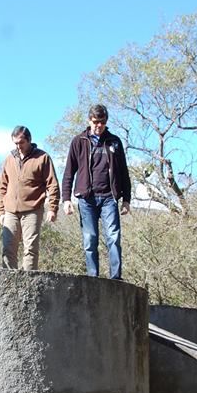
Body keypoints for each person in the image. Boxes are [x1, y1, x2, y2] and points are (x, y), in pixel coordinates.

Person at [61, 104, 132, 280]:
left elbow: (123, 172)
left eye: (102, 122)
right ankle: (93, 278)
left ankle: (116, 278)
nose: (98, 125)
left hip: (109, 198)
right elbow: (69, 171)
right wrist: (66, 199)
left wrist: (126, 199)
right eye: (95, 122)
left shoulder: (114, 141)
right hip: (87, 199)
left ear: (106, 121)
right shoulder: (79, 141)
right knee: (90, 239)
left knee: (113, 237)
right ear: (89, 120)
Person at [0, 125, 60, 270]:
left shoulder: (42, 158)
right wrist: (1, 211)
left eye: (21, 142)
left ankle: (28, 281)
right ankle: (8, 281)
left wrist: (53, 208)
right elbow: (2, 186)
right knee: (7, 249)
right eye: (15, 143)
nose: (18, 146)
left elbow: (52, 184)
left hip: (33, 210)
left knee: (31, 249)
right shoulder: (9, 159)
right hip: (10, 211)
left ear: (29, 140)